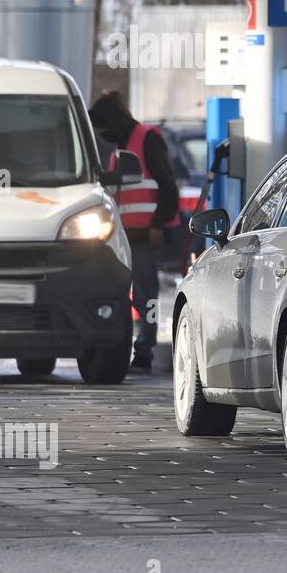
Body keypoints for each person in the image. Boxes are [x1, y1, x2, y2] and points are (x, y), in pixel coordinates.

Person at [89, 91, 180, 372]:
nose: (103, 134)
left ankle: (145, 351)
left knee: (145, 294)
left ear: (113, 122)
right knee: (129, 294)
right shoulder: (121, 149)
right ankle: (132, 346)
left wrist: (157, 224)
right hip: (123, 237)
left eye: (104, 128)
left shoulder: (146, 138)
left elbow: (167, 186)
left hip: (145, 236)